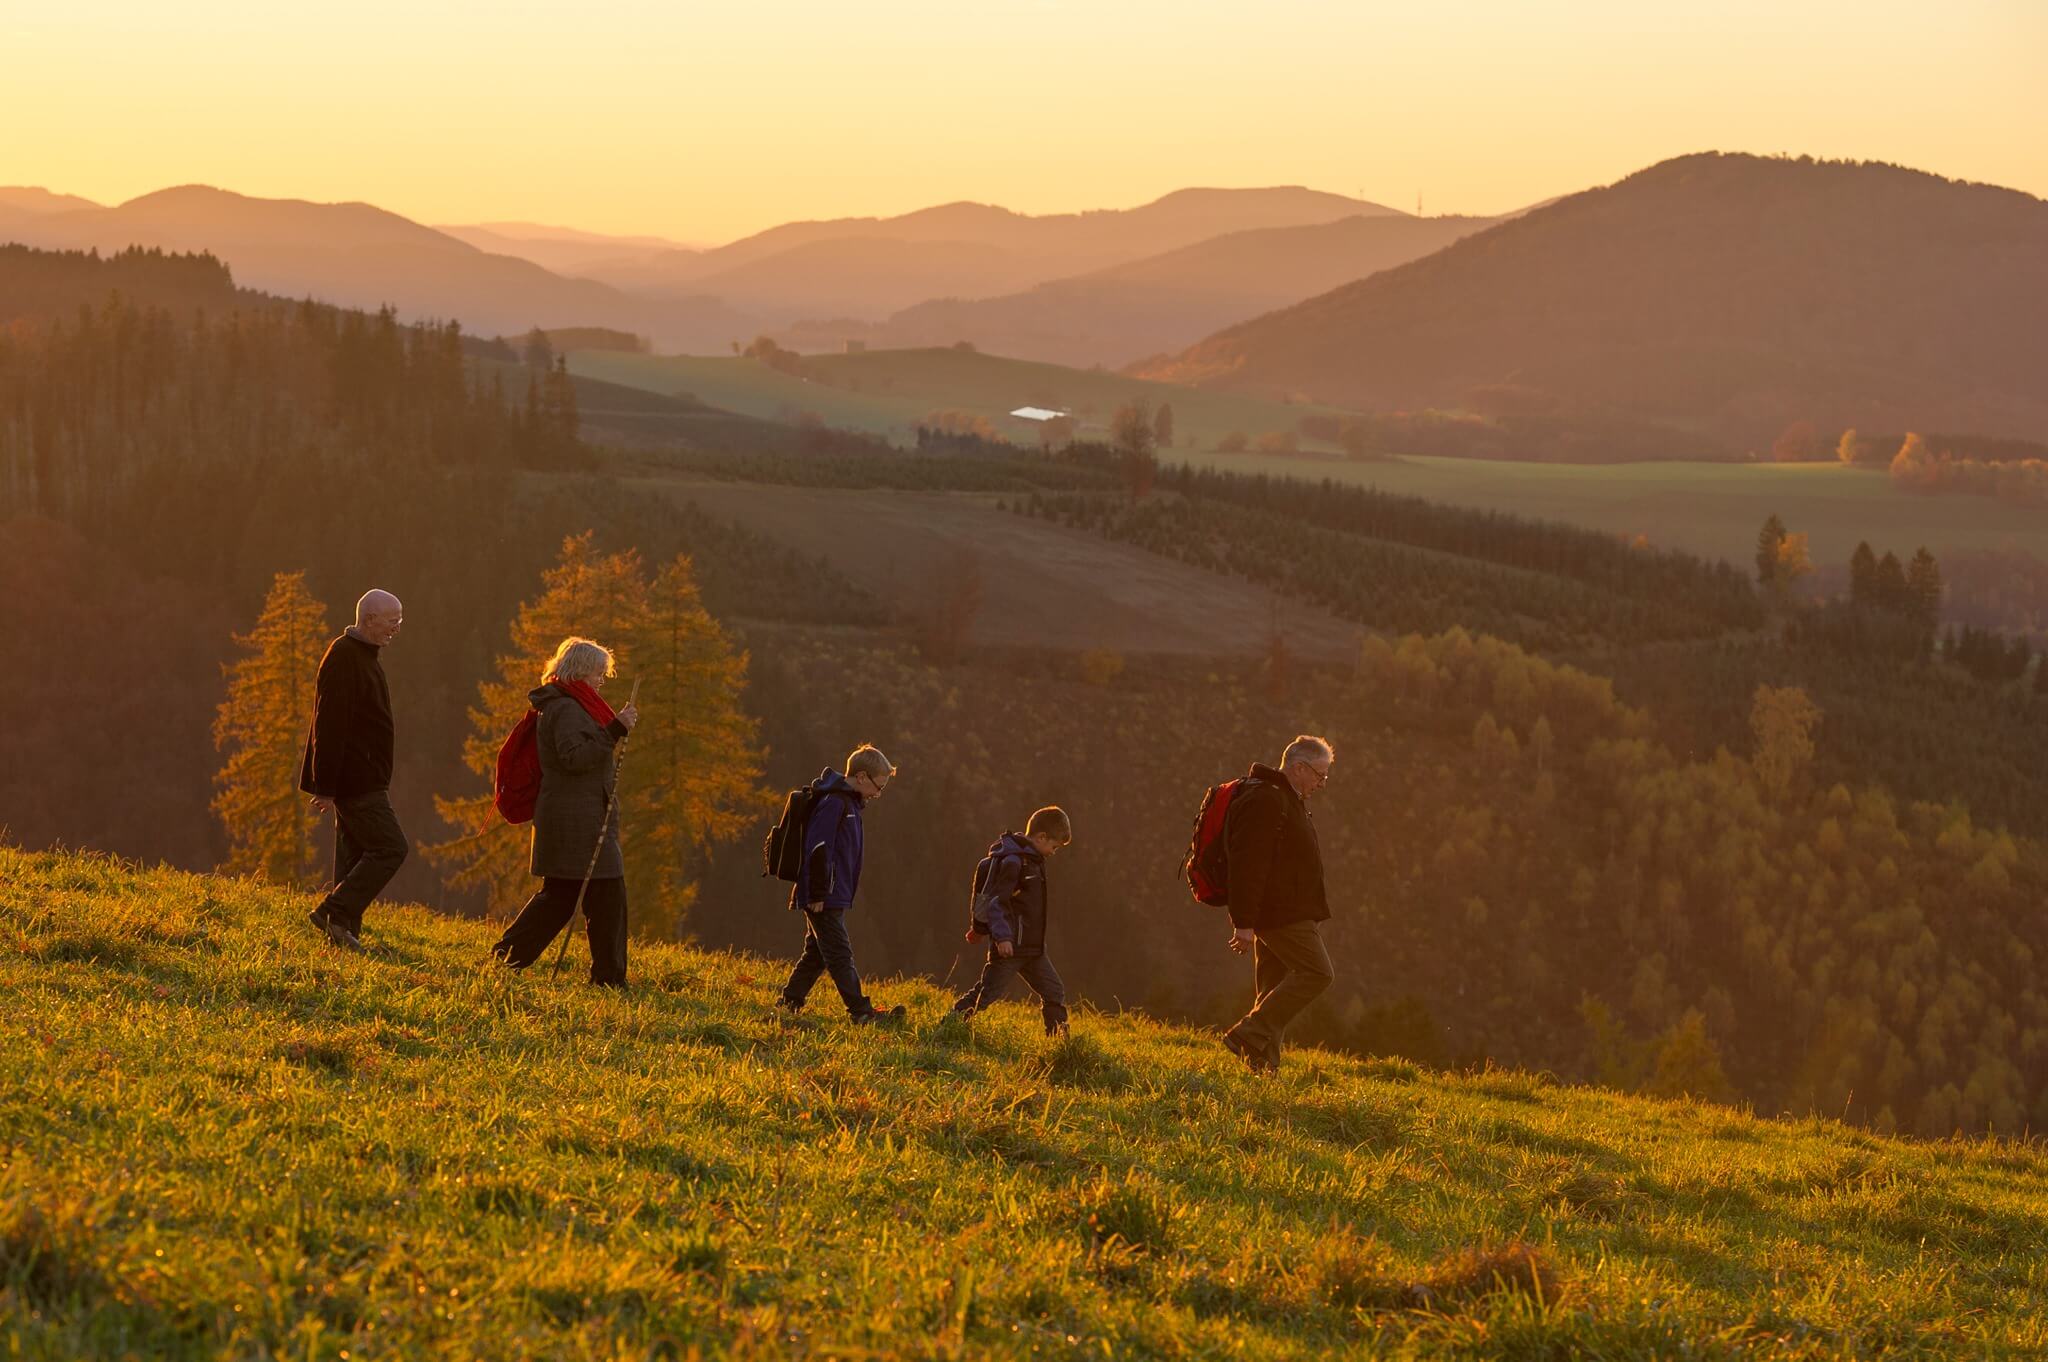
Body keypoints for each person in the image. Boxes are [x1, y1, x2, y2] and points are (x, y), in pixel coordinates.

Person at [490, 638, 639, 987]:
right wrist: (615, 729)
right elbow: (574, 758)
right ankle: (608, 980)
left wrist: (612, 731)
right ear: (581, 670)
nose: (602, 679)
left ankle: (507, 957)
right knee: (603, 898)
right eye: (598, 672)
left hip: (576, 818)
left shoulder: (569, 704)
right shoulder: (567, 709)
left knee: (561, 896)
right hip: (576, 821)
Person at [1220, 735, 1336, 1073]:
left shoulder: (1285, 797)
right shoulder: (1267, 800)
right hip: (1281, 915)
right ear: (1298, 768)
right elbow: (1247, 864)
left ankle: (1263, 1068)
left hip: (1283, 912)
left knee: (1273, 990)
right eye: (1319, 775)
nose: (1322, 783)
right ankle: (1247, 1034)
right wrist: (1242, 922)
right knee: (1317, 973)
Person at [300, 588, 407, 951]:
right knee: (391, 848)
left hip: (363, 778)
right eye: (392, 621)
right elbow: (329, 725)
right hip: (356, 781)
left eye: (400, 621)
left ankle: (343, 935)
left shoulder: (362, 655)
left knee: (356, 855)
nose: (396, 628)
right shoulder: (345, 657)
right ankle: (333, 913)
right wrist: (325, 785)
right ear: (370, 619)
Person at [776, 744, 904, 1023]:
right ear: (860, 776)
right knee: (839, 953)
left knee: (818, 953)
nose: (878, 793)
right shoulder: (835, 803)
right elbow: (818, 847)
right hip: (823, 894)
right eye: (877, 786)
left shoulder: (848, 805)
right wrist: (819, 891)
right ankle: (861, 1012)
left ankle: (789, 1003)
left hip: (829, 892)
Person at [952, 805, 1073, 1036]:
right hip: (1010, 949)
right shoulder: (1014, 862)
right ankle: (950, 1024)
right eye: (1054, 847)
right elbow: (997, 902)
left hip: (1033, 950)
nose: (1053, 852)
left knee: (1054, 991)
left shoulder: (1033, 860)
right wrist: (1003, 937)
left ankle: (1059, 1040)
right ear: (1041, 837)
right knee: (986, 993)